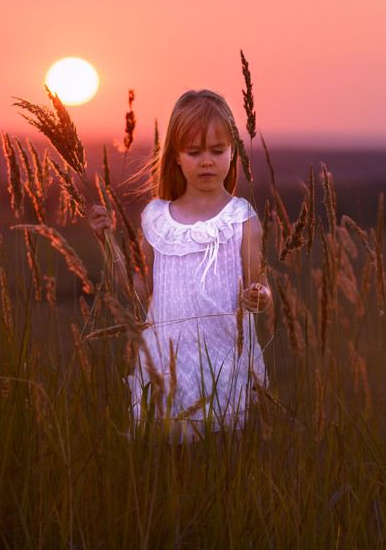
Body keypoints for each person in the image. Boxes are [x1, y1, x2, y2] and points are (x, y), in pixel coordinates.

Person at [89, 89, 271, 442]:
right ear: (175, 157)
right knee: (169, 459)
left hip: (224, 361)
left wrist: (260, 295)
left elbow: (261, 283)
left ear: (233, 153)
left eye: (217, 151)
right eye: (194, 152)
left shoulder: (241, 220)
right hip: (167, 364)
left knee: (221, 453)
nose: (207, 161)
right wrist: (106, 242)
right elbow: (142, 294)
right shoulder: (157, 219)